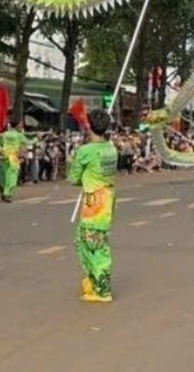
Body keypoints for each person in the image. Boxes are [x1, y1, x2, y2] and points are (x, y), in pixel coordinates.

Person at [67, 108, 118, 303]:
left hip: (94, 204)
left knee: (94, 245)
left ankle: (103, 289)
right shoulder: (112, 149)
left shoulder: (85, 151)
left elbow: (73, 178)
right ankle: (94, 280)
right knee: (84, 241)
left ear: (89, 125)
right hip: (107, 200)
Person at [0, 119, 29, 202]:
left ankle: (2, 187)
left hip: (5, 157)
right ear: (17, 125)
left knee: (4, 175)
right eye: (21, 124)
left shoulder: (4, 134)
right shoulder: (19, 135)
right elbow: (28, 142)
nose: (22, 126)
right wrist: (37, 138)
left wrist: (2, 152)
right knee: (12, 177)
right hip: (14, 158)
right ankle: (7, 194)